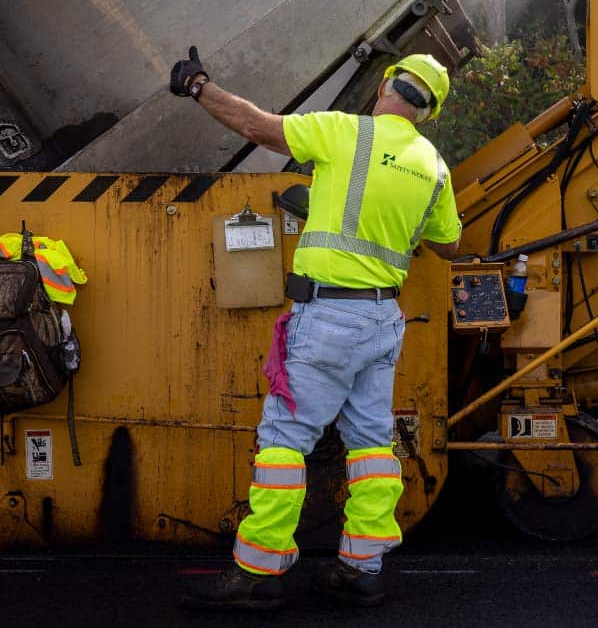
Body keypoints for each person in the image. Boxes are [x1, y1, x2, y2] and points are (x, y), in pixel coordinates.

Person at [170, 48, 461, 611]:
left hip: (327, 317)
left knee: (284, 442)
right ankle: (361, 570)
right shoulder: (434, 166)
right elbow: (448, 244)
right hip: (382, 321)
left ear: (386, 88)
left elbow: (256, 126)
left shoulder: (344, 132)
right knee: (373, 446)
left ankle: (257, 572)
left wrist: (199, 85)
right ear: (430, 113)